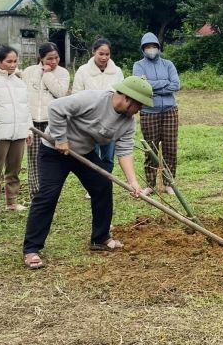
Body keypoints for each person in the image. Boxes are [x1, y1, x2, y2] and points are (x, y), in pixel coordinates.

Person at [21, 76, 153, 270]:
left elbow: (125, 151)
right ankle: (32, 249)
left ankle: (100, 238)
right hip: (54, 151)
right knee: (48, 195)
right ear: (127, 98)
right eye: (139, 105)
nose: (139, 110)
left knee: (102, 185)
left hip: (82, 152)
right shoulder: (93, 99)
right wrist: (61, 138)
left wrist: (133, 181)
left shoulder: (127, 122)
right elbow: (56, 107)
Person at [0, 45, 32, 211]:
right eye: (9, 61)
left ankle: (12, 201)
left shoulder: (19, 82)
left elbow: (26, 107)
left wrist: (29, 128)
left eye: (15, 61)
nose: (13, 65)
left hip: (19, 131)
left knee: (14, 169)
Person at [133, 32, 180, 194]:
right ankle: (150, 184)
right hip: (148, 111)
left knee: (170, 148)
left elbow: (176, 85)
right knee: (150, 149)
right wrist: (164, 83)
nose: (151, 49)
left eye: (154, 46)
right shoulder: (138, 65)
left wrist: (152, 86)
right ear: (143, 49)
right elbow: (141, 86)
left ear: (159, 48)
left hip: (170, 111)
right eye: (148, 47)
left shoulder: (168, 64)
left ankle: (168, 183)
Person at [22, 42, 70, 199]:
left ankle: (49, 191)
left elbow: (60, 93)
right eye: (49, 58)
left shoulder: (63, 73)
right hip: (33, 122)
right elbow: (23, 96)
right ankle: (35, 192)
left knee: (52, 158)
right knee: (34, 157)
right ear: (41, 58)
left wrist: (48, 74)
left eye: (56, 58)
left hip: (52, 122)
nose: (54, 61)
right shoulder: (29, 72)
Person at [72, 38, 124, 173]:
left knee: (108, 158)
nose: (104, 57)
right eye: (101, 54)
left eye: (107, 54)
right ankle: (92, 183)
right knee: (90, 156)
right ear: (93, 52)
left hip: (110, 121)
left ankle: (106, 181)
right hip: (88, 121)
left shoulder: (117, 72)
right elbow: (76, 96)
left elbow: (122, 96)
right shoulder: (83, 71)